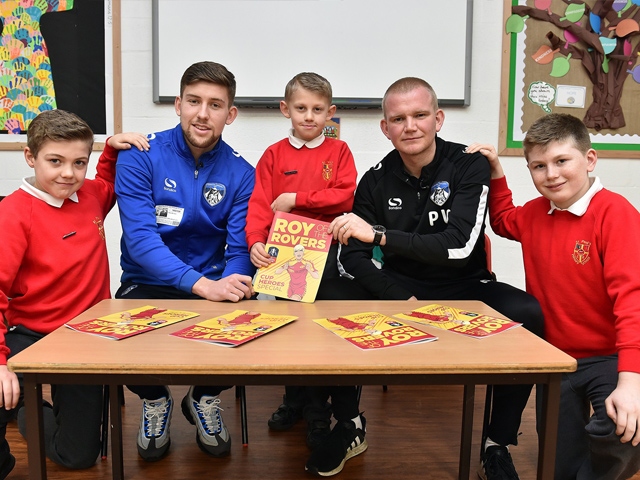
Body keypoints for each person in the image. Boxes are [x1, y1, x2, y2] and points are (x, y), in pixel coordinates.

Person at [329, 77, 545, 480]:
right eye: (398, 118)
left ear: (438, 119)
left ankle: (496, 445)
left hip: (465, 286)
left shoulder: (468, 164)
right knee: (332, 295)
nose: (410, 126)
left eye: (420, 115)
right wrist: (400, 297)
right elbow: (353, 255)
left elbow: (459, 245)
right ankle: (349, 425)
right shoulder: (375, 179)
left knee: (528, 312)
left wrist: (380, 235)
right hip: (399, 289)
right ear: (385, 127)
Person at [467, 113, 640, 480]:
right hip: (556, 359)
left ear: (589, 160)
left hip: (608, 355)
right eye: (539, 166)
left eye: (562, 161)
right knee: (558, 462)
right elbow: (501, 220)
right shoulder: (533, 214)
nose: (551, 174)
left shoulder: (616, 214)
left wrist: (630, 381)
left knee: (624, 428)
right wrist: (496, 169)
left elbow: (632, 299)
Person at [114, 61, 256, 462]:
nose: (202, 113)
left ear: (230, 114)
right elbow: (141, 242)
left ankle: (204, 396)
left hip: (212, 282)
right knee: (126, 342)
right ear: (178, 104)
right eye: (194, 101)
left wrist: (230, 284)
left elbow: (240, 246)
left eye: (215, 105)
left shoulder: (242, 172)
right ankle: (155, 398)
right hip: (146, 281)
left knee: (248, 324)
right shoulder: (139, 155)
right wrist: (202, 285)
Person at [0, 109, 148, 478]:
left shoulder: (91, 195)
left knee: (78, 456)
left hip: (85, 335)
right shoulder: (13, 213)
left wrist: (110, 148)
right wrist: (1, 362)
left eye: (79, 162)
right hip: (28, 334)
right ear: (31, 157)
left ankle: (30, 414)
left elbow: (109, 182)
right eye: (55, 161)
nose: (69, 173)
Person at [245, 72, 368, 475]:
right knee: (287, 331)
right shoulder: (273, 154)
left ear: (330, 112)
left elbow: (345, 195)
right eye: (301, 109)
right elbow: (261, 205)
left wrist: (299, 198)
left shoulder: (341, 150)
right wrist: (254, 243)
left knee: (317, 334)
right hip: (282, 255)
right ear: (286, 110)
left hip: (327, 258)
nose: (309, 117)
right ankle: (293, 401)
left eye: (318, 109)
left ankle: (318, 412)